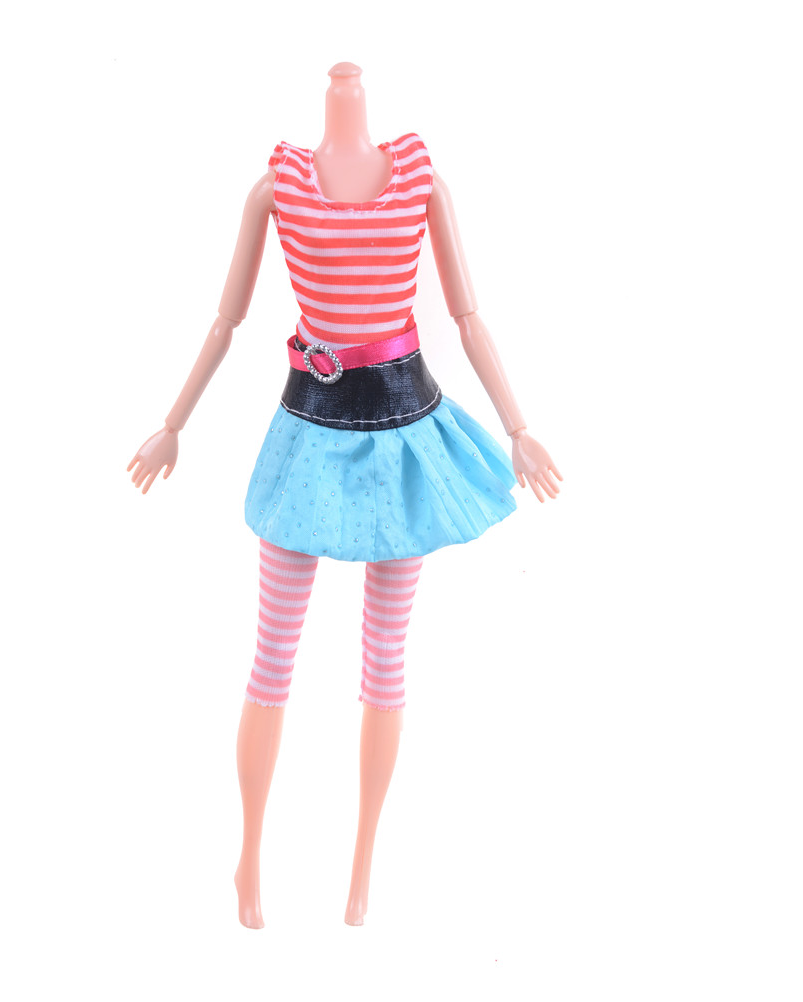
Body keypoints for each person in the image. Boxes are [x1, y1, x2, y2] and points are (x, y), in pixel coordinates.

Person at [127, 62, 562, 928]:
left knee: (386, 654)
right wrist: (172, 421)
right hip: (312, 430)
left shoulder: (422, 180)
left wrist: (519, 426)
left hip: (404, 430)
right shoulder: (277, 186)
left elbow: (469, 317)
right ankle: (249, 858)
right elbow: (227, 319)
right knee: (273, 652)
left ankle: (362, 870)